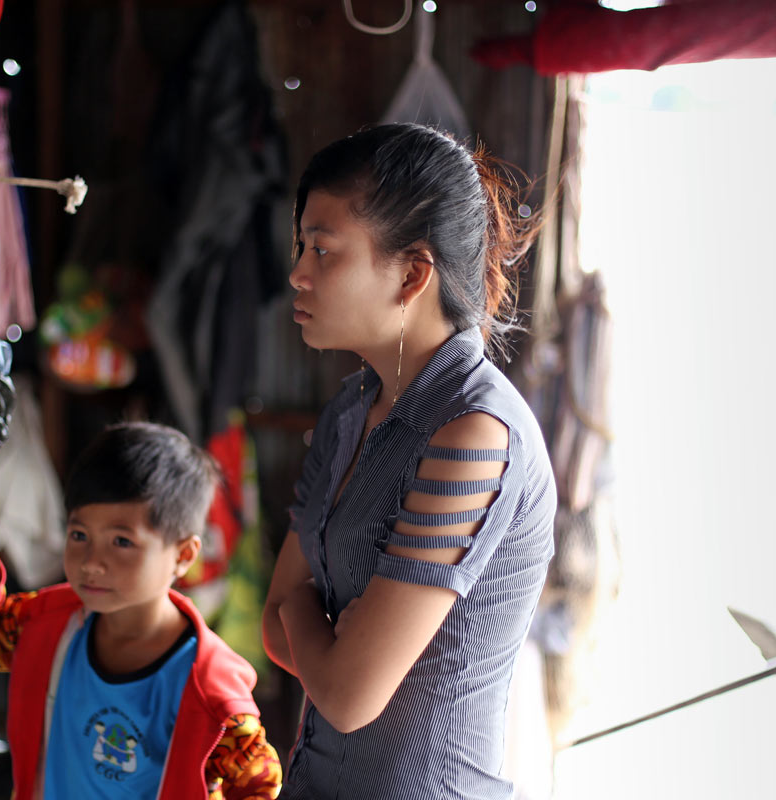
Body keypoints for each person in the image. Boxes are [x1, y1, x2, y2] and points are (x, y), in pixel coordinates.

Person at [261, 123, 556, 799]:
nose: (298, 273)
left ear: (412, 275)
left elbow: (345, 695)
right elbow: (273, 625)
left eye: (324, 251)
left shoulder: (475, 434)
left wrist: (318, 626)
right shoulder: (349, 410)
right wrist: (325, 632)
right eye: (303, 245)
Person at [0, 421, 282, 800]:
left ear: (183, 555)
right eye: (79, 535)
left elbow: (259, 785)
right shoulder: (46, 625)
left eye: (122, 541)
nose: (91, 563)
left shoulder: (210, 694)